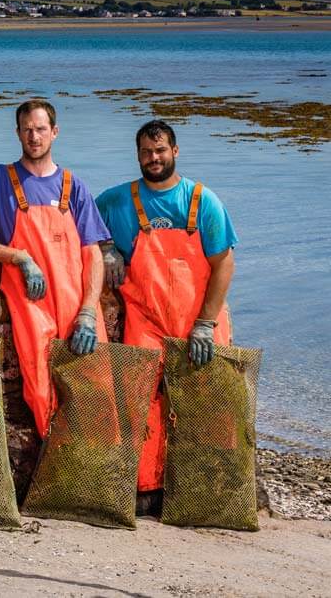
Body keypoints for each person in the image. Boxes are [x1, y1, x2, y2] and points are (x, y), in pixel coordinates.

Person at [96, 119, 237, 501]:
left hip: (199, 319)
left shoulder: (203, 201)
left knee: (207, 402)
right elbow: (82, 225)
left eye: (160, 151)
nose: (153, 158)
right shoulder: (116, 200)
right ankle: (146, 489)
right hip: (146, 320)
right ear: (138, 156)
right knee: (140, 400)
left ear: (175, 152)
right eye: (146, 152)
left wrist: (205, 323)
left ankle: (208, 489)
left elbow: (224, 264)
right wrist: (106, 248)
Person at [0, 99, 109, 438]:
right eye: (28, 129)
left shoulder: (74, 186)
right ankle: (57, 464)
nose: (34, 137)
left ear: (55, 132)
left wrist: (89, 310)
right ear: (17, 133)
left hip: (75, 302)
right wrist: (19, 257)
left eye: (41, 129)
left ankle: (98, 467)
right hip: (30, 305)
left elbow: (93, 253)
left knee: (97, 385)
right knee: (41, 387)